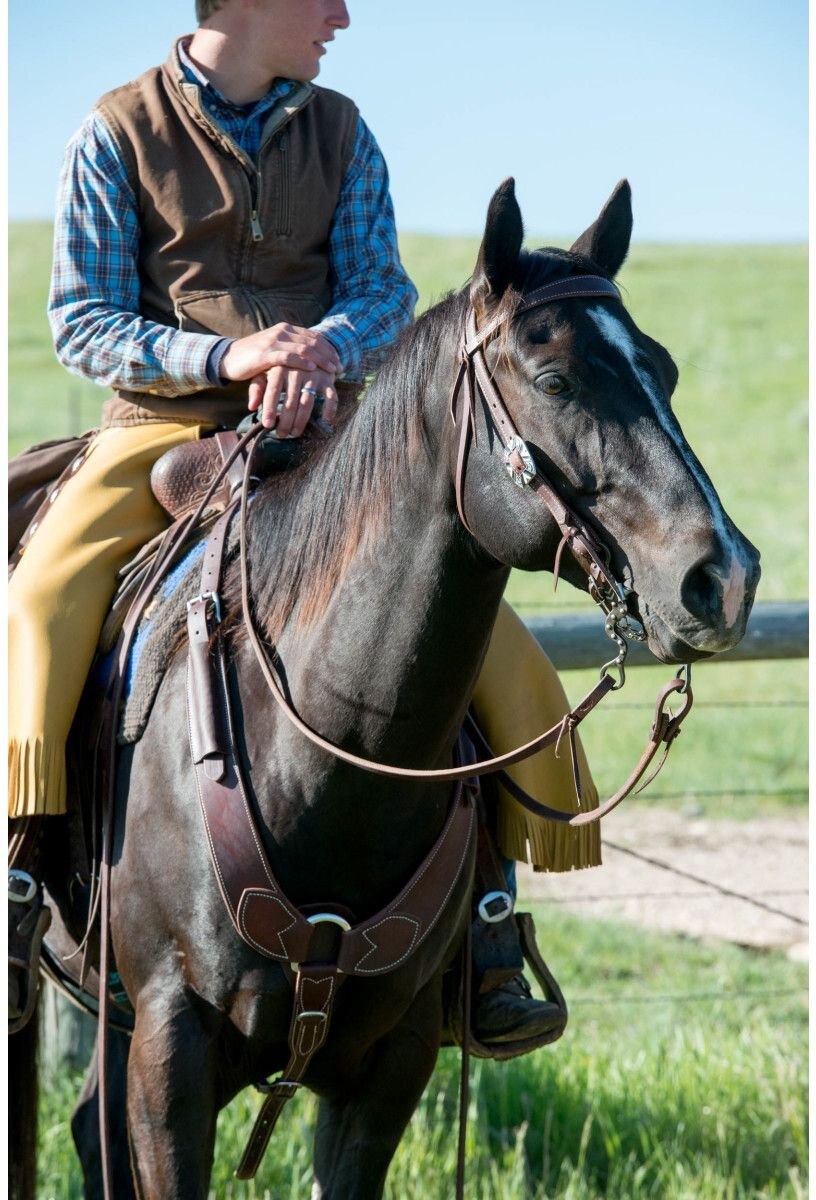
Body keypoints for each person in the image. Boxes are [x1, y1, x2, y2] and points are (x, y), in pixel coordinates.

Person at [8, 0, 600, 1041]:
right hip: (161, 427)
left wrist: (316, 354)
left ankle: (490, 931)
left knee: (496, 660)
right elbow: (82, 320)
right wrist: (232, 358)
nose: (340, 14)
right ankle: (17, 891)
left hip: (329, 440)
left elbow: (383, 291)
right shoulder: (112, 131)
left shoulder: (346, 130)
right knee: (42, 601)